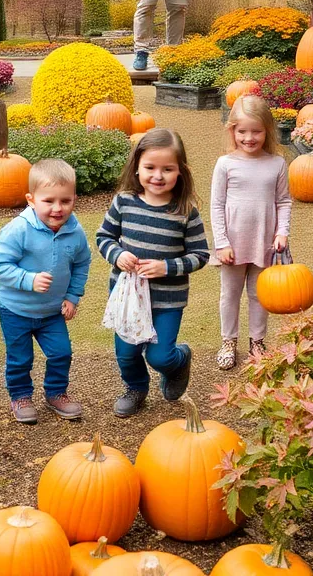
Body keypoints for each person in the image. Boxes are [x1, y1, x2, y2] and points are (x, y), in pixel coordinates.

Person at [96, 127, 210, 417]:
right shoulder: (124, 202)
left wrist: (166, 267)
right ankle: (136, 388)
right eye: (150, 168)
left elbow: (200, 255)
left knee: (160, 356)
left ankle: (179, 361)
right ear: (137, 167)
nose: (158, 176)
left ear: (180, 171)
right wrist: (118, 255)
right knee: (127, 353)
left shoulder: (185, 211)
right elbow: (104, 237)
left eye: (167, 169)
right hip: (128, 298)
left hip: (167, 300)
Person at [0, 159, 92, 425]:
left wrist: (72, 297)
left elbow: (82, 263)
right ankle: (21, 396)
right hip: (16, 310)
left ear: (74, 199)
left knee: (61, 353)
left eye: (65, 201)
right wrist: (28, 279)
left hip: (51, 311)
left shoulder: (75, 232)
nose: (58, 208)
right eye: (49, 201)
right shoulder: (18, 230)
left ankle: (56, 393)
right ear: (31, 200)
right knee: (20, 358)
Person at [211, 95, 291, 370]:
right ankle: (228, 341)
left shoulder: (277, 163)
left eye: (256, 131)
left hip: (264, 242)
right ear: (232, 130)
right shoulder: (225, 164)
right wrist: (221, 242)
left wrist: (282, 232)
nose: (249, 137)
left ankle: (257, 341)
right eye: (242, 131)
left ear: (267, 130)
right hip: (232, 244)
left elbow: (283, 201)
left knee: (259, 295)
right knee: (230, 295)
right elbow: (217, 204)